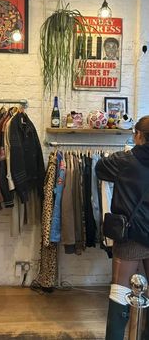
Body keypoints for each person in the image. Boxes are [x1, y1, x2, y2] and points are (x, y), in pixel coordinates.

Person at [95, 115, 149, 340]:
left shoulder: (124, 160)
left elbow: (100, 168)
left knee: (120, 291)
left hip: (131, 236)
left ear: (138, 135)